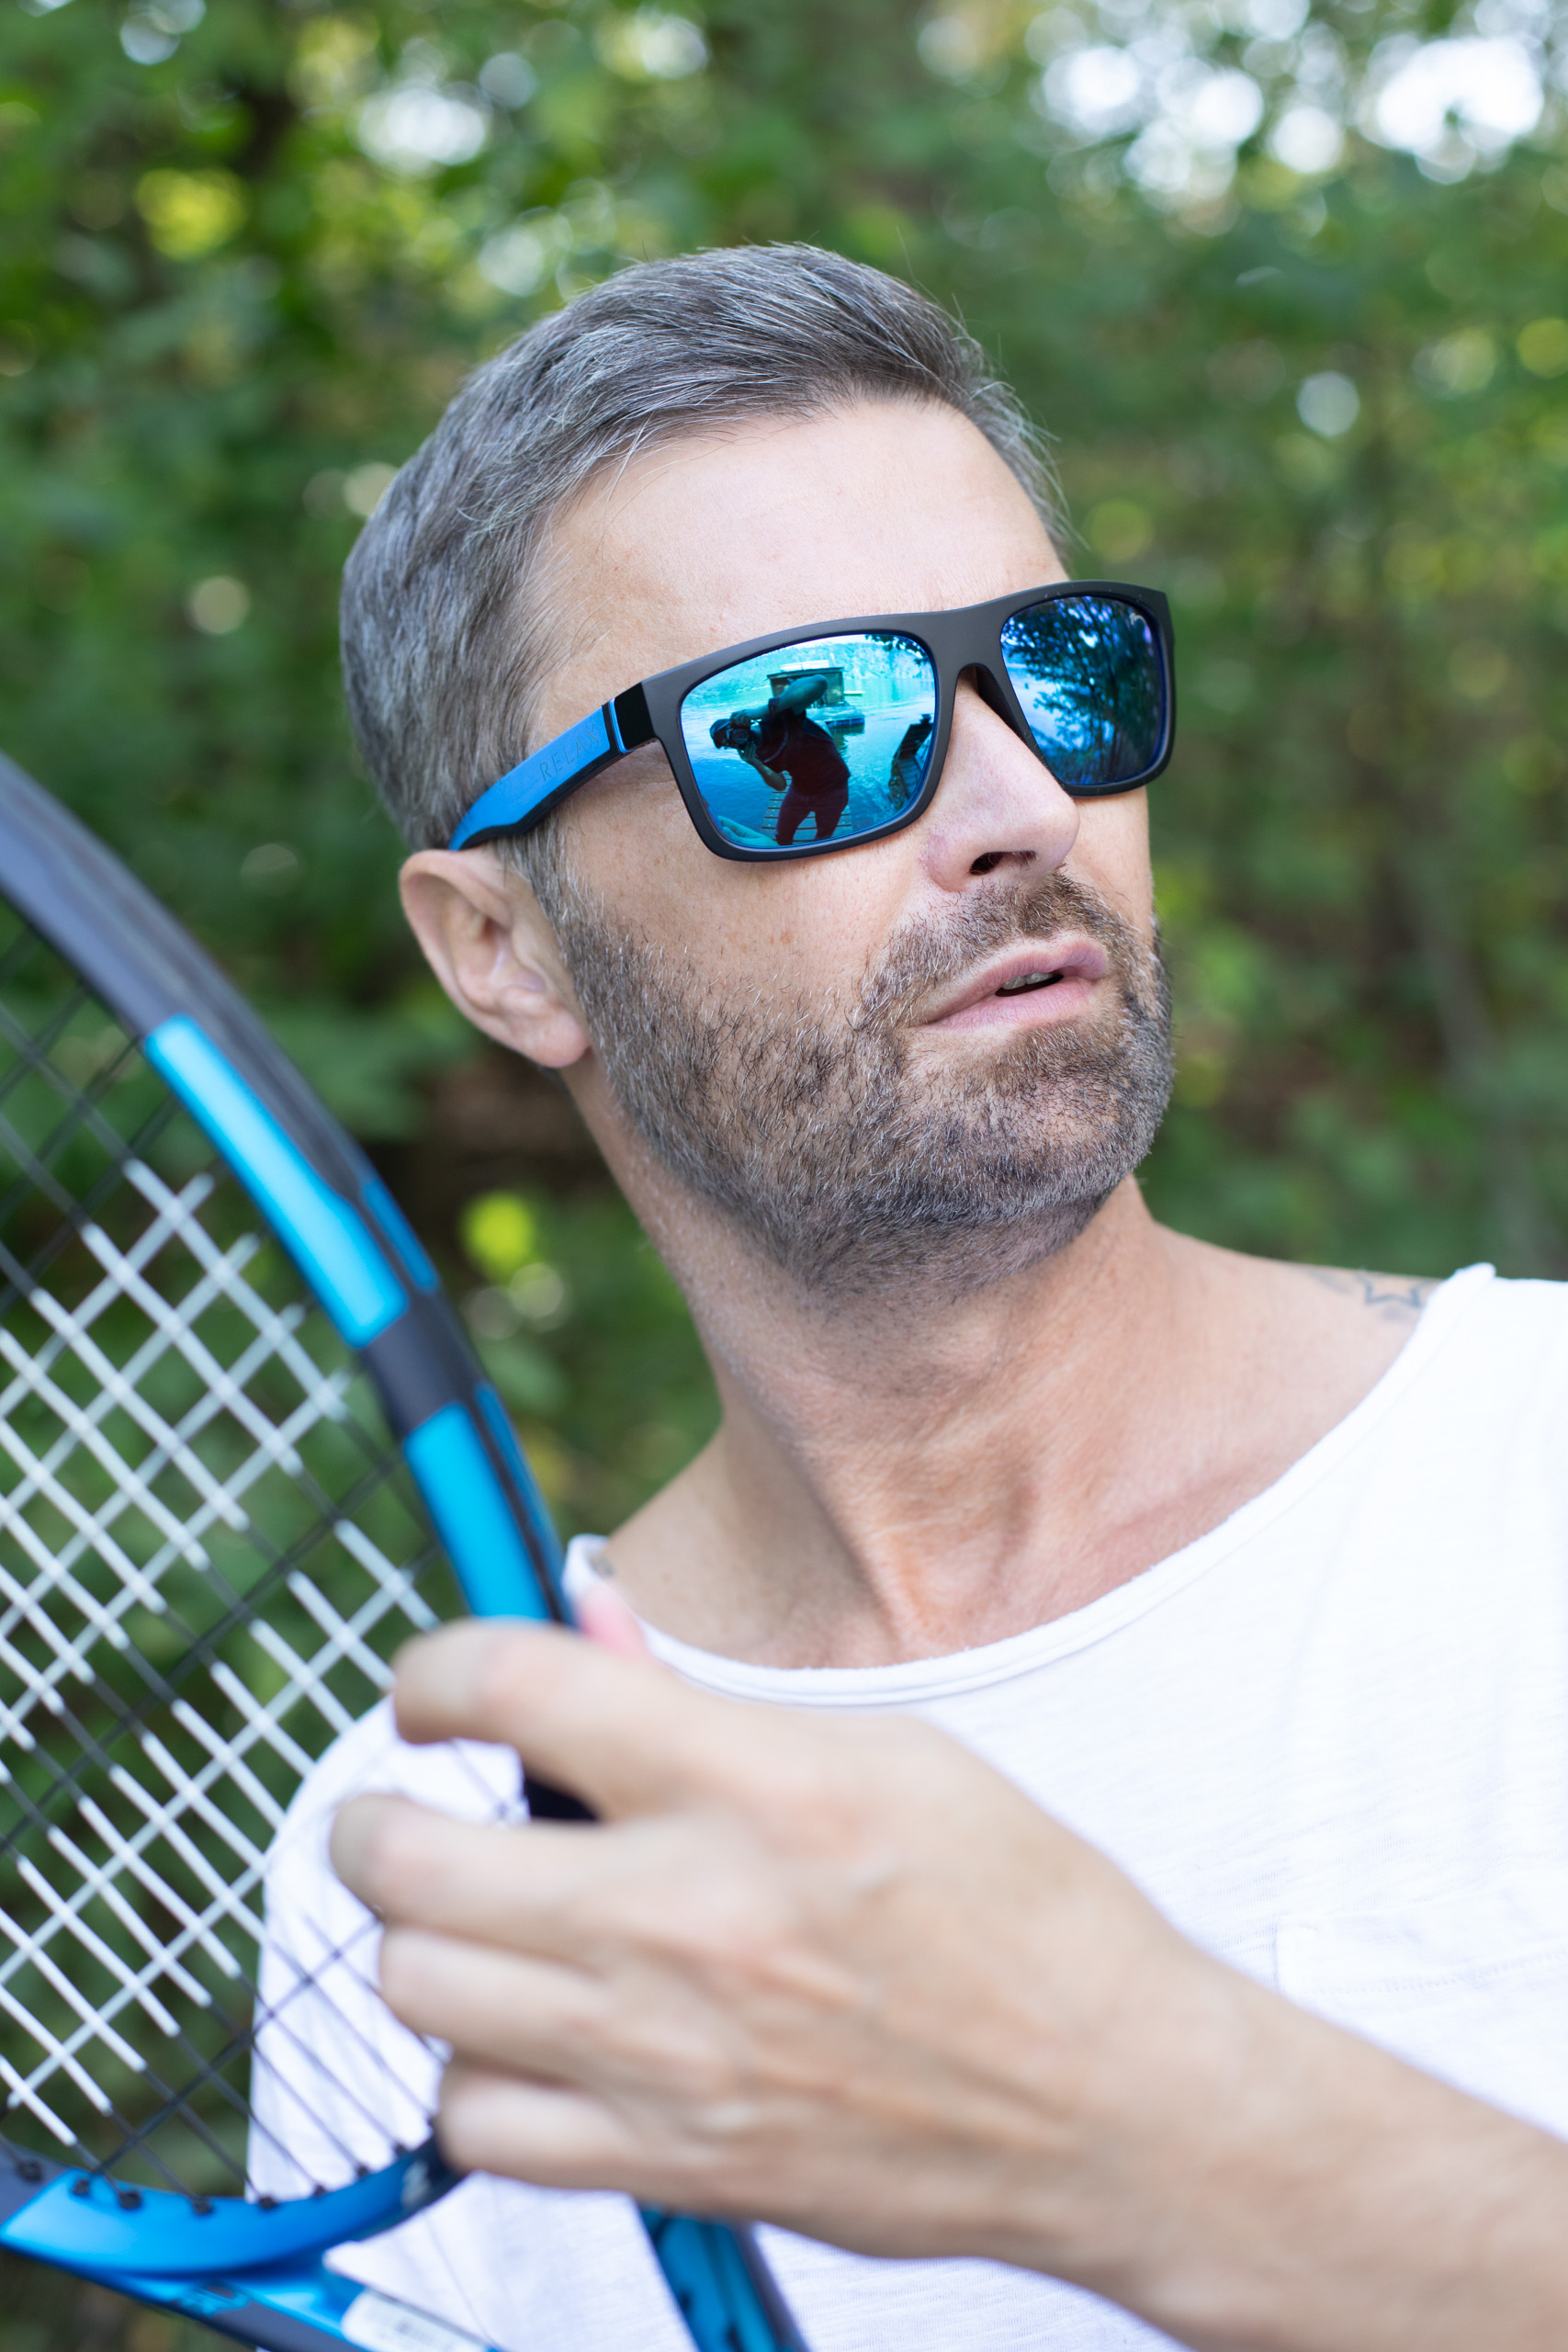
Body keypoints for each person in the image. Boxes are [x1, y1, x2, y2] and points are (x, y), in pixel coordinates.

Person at [261, 244, 1568, 2352]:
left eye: (1059, 673)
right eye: (806, 726)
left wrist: (1146, 2125)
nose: (1021, 806)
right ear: (502, 944)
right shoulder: (430, 1851)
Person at [719, 671, 852, 845]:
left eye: (733, 735)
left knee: (823, 836)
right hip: (800, 790)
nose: (736, 742)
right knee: (782, 836)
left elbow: (819, 682)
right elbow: (781, 785)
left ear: (741, 725)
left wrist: (761, 711)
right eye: (729, 744)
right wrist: (755, 763)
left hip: (833, 788)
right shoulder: (757, 752)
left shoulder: (776, 718)